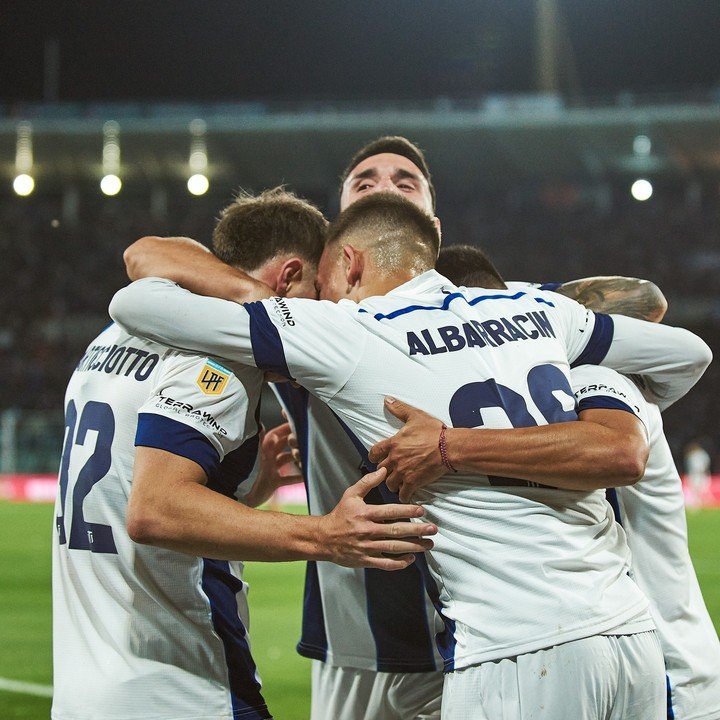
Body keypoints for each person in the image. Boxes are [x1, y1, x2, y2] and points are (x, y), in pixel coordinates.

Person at [124, 135, 673, 720]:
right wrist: (260, 298)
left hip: (477, 623)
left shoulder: (501, 308)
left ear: (431, 225)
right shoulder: (313, 317)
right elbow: (148, 253)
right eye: (365, 183)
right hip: (357, 631)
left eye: (405, 181)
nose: (385, 185)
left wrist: (536, 314)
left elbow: (648, 302)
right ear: (341, 238)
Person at [52, 189, 436, 720]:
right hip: (184, 688)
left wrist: (247, 488)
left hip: (85, 686)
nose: (324, 315)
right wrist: (326, 536)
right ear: (287, 277)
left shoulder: (119, 334)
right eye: (318, 295)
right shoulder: (223, 358)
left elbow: (126, 482)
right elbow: (155, 509)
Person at [409, 244, 720, 720]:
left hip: (661, 666)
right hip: (608, 656)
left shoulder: (597, 379)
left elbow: (652, 309)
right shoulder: (519, 396)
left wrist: (451, 447)